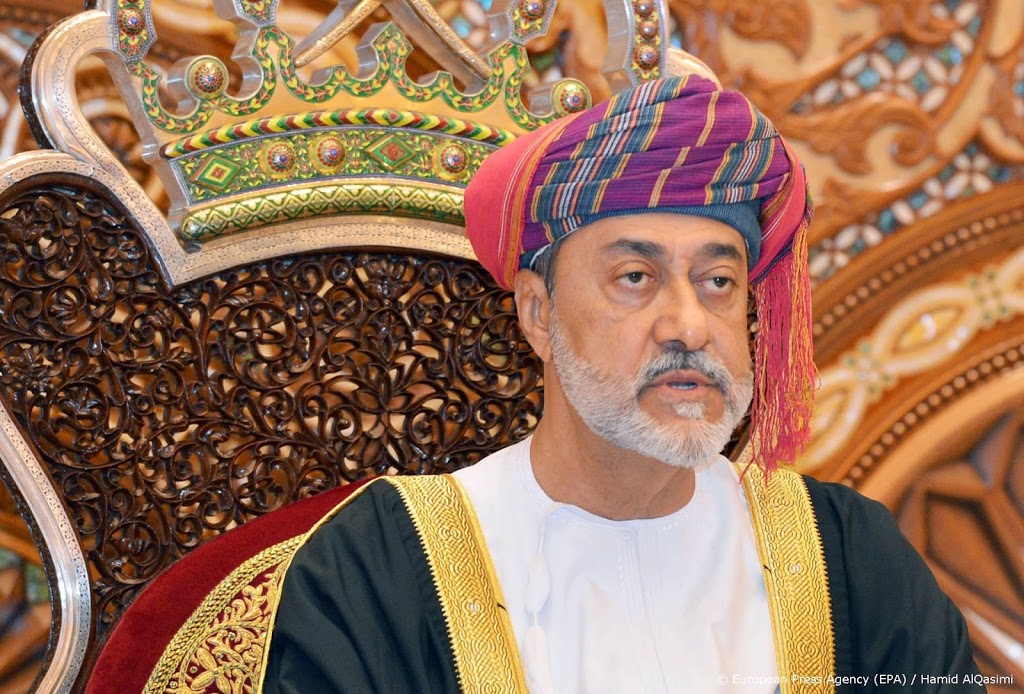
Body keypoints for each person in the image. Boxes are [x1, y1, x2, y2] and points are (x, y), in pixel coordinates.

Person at [259, 74, 983, 693]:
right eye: (636, 277)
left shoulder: (848, 557)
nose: (689, 325)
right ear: (539, 314)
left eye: (718, 281)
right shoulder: (377, 572)